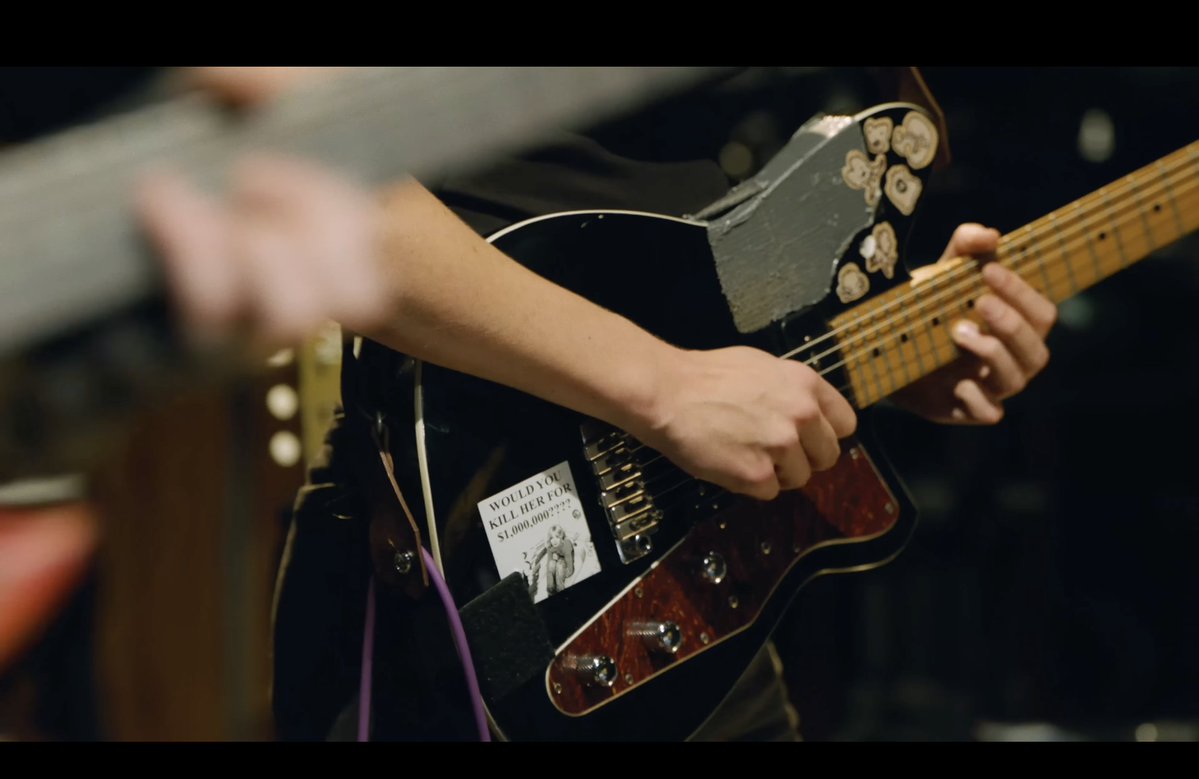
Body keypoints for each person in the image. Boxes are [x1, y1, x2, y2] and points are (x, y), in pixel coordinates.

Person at [131, 68, 1056, 742]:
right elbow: (289, 164)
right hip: (456, 558)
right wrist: (660, 385)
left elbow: (747, 215)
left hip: (697, 602)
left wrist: (889, 340)